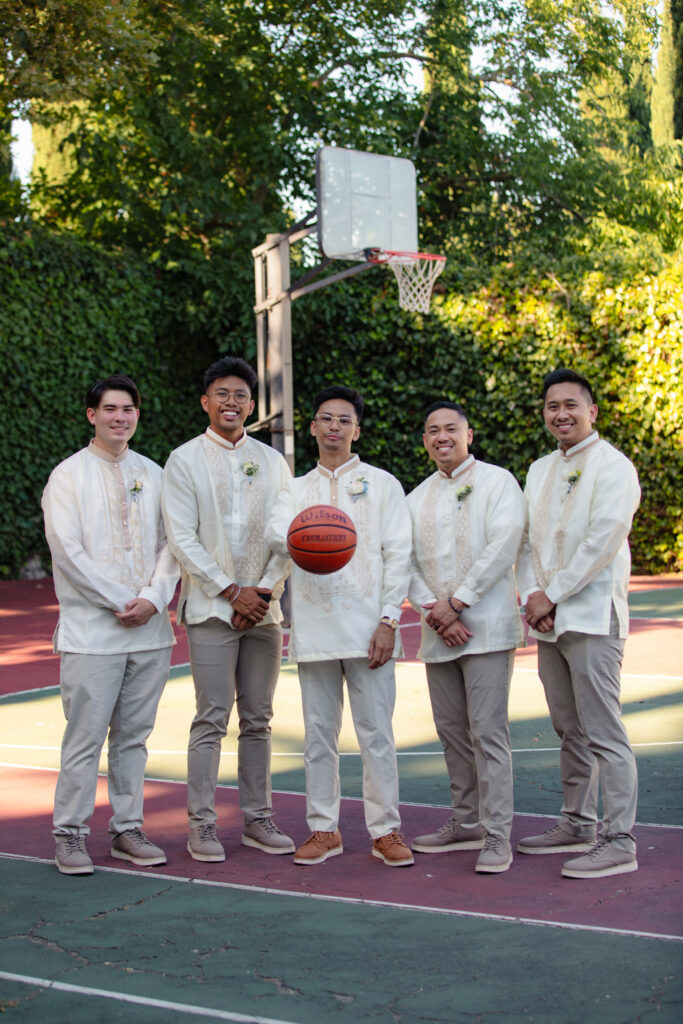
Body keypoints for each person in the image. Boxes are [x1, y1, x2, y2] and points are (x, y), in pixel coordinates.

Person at [267, 385, 414, 867]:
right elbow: (276, 536)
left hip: (370, 627)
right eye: (325, 419)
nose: (334, 427)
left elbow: (399, 557)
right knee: (318, 734)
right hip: (313, 626)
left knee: (376, 733)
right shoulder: (294, 489)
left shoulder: (384, 483)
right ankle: (323, 829)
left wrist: (390, 619)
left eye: (343, 420)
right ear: (312, 427)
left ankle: (385, 829)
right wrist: (297, 542)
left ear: (357, 429)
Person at [42, 375, 179, 875]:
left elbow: (172, 545)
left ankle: (127, 829)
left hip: (150, 631)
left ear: (137, 417)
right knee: (85, 737)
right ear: (91, 415)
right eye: (110, 409)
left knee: (133, 738)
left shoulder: (155, 474)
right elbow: (68, 551)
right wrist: (125, 600)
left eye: (128, 409)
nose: (120, 417)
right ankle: (70, 833)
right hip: (91, 634)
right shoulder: (68, 476)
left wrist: (152, 598)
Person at [161, 355, 293, 862]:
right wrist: (229, 590)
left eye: (240, 395)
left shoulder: (273, 462)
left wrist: (261, 592)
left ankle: (259, 820)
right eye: (222, 394)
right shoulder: (184, 460)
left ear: (252, 404)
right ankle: (203, 825)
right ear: (205, 402)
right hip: (212, 611)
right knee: (211, 718)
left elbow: (288, 535)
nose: (231, 402)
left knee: (259, 720)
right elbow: (182, 538)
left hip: (263, 610)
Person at [516, 368, 641, 879]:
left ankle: (621, 839)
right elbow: (525, 544)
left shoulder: (614, 467)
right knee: (568, 729)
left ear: (592, 412)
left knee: (602, 730)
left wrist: (553, 594)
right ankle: (577, 821)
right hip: (550, 620)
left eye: (571, 405)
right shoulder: (539, 469)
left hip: (591, 616)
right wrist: (531, 595)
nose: (561, 414)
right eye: (552, 406)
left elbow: (603, 541)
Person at [407, 401, 525, 873]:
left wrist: (458, 603)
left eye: (450, 429)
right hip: (440, 634)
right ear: (424, 441)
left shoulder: (498, 482)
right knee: (452, 734)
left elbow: (505, 544)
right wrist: (436, 613)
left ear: (469, 434)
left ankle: (498, 834)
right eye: (432, 430)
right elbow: (404, 562)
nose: (442, 437)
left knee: (488, 733)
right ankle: (466, 820)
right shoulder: (415, 498)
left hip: (487, 629)